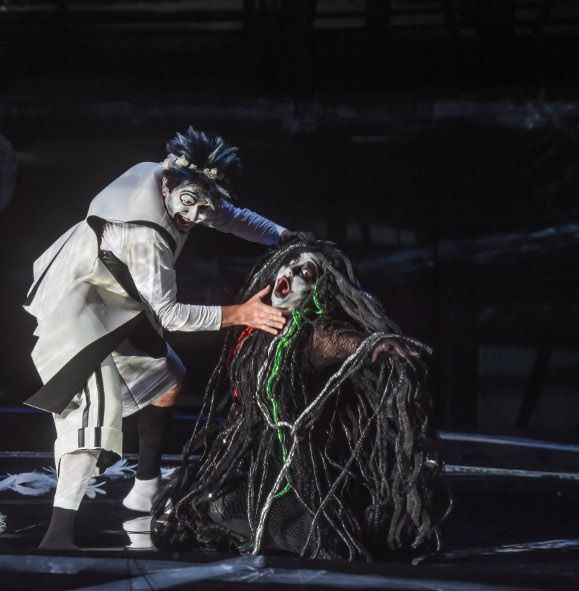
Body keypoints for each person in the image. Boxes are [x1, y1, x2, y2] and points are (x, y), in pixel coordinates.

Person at [23, 126, 295, 550]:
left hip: (115, 299)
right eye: (190, 204)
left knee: (167, 380)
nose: (194, 217)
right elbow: (168, 313)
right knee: (94, 412)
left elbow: (233, 218)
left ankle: (145, 488)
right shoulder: (147, 233)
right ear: (169, 184)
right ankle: (57, 536)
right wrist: (240, 314)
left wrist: (283, 236)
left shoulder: (183, 187)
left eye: (205, 207)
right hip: (76, 305)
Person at [151, 238, 451, 562]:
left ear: (320, 290)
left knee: (325, 540)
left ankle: (319, 525)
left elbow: (344, 341)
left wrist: (377, 346)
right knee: (207, 505)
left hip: (302, 472)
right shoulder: (257, 332)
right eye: (288, 267)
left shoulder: (314, 334)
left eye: (305, 272)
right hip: (257, 464)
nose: (290, 275)